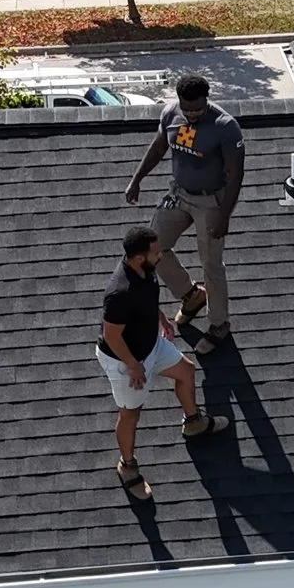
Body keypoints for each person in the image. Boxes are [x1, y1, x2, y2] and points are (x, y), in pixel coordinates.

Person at [98, 226, 229, 500]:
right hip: (125, 360)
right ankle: (127, 466)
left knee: (186, 371)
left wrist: (160, 319)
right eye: (156, 252)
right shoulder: (119, 292)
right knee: (130, 414)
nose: (161, 255)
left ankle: (193, 422)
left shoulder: (145, 270)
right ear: (138, 258)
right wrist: (133, 365)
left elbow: (147, 298)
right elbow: (111, 335)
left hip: (151, 345)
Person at [125, 73, 243, 355]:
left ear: (207, 99)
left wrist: (224, 215)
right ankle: (191, 296)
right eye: (186, 109)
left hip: (211, 202)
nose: (191, 115)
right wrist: (137, 178)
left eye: (197, 109)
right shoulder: (170, 114)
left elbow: (236, 173)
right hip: (178, 195)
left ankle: (218, 324)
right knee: (151, 247)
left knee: (211, 263)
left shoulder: (224, 126)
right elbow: (158, 146)